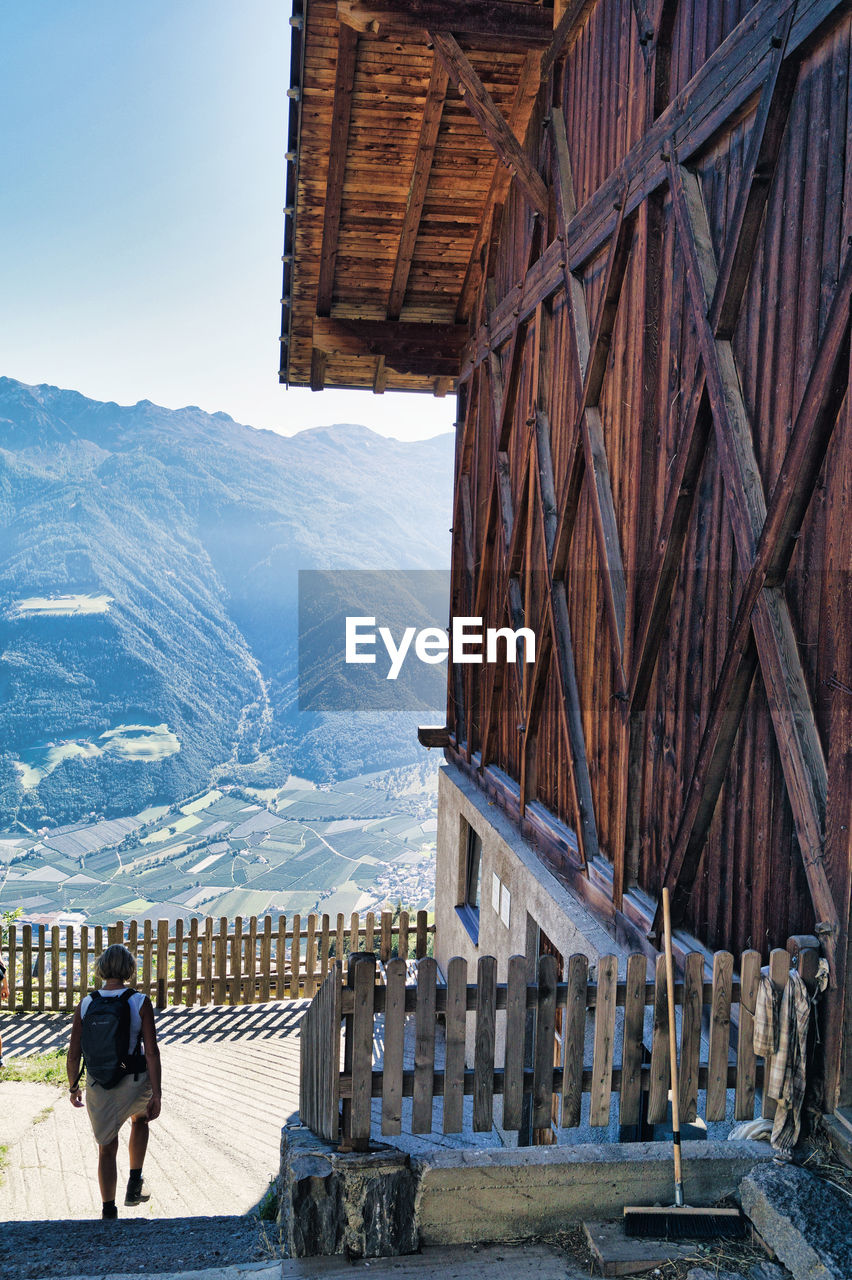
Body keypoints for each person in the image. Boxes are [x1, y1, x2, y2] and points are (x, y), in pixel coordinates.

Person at [66, 943, 162, 1219]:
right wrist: (156, 1092)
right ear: (129, 969)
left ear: (102, 968)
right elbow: (152, 1050)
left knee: (106, 1147)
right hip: (133, 1079)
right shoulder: (139, 1001)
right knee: (140, 1119)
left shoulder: (86, 1003)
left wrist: (73, 1087)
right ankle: (135, 1182)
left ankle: (108, 1211)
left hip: (99, 1084)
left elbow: (74, 1053)